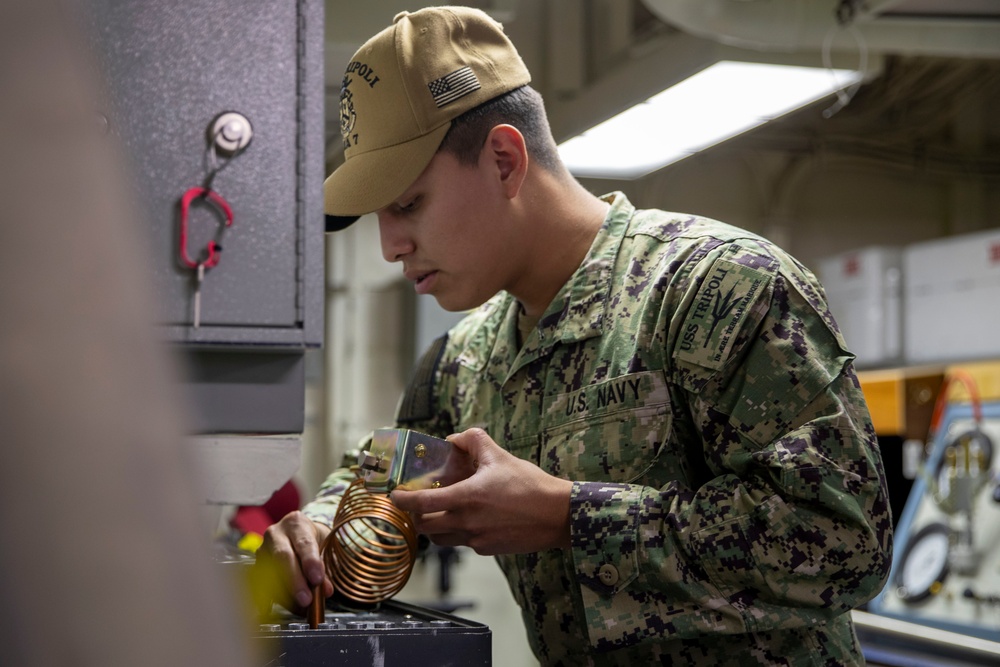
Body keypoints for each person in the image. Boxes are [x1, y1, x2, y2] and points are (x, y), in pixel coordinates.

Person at [257, 6, 893, 665]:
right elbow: (380, 481)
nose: (391, 245)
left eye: (408, 204)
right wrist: (317, 526)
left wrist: (569, 516)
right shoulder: (461, 365)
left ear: (505, 160)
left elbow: (846, 543)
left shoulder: (722, 289)